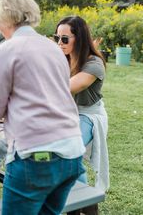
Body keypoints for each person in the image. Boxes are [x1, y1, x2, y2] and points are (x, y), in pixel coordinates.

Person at [0, 0, 85, 214]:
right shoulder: (53, 48)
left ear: (4, 18)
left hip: (37, 157)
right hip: (72, 152)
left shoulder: (6, 50)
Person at [55, 16, 109, 192]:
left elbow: (66, 88)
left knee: (72, 149)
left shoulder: (94, 63)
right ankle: (86, 205)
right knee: (67, 155)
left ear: (80, 38)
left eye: (64, 39)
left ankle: (82, 202)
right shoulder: (63, 59)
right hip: (65, 113)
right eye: (57, 38)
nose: (60, 43)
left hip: (88, 115)